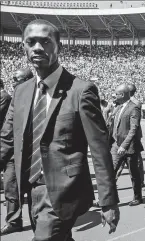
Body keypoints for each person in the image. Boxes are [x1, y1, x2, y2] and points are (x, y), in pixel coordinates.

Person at [0, 19, 119, 240]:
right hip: (29, 188)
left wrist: (108, 200)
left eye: (45, 41)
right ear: (23, 47)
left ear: (58, 47)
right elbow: (6, 141)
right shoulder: (21, 92)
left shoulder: (81, 91)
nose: (37, 47)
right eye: (31, 42)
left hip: (63, 190)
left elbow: (100, 149)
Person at [1, 68, 35, 235]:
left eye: (17, 78)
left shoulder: (37, 96)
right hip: (12, 153)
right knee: (10, 187)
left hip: (30, 154)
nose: (13, 81)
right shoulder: (15, 96)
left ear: (27, 80)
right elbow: (8, 130)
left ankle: (39, 228)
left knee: (32, 192)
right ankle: (14, 220)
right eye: (13, 78)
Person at [108, 84, 143, 206]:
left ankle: (138, 197)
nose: (115, 96)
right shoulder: (118, 107)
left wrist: (124, 145)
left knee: (134, 174)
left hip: (128, 147)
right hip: (115, 145)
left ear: (122, 95)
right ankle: (109, 198)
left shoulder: (134, 108)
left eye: (116, 94)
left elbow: (134, 129)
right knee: (110, 172)